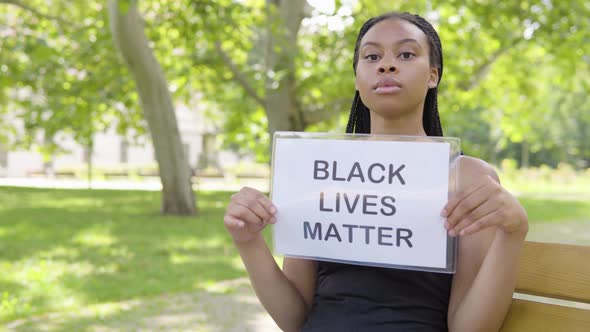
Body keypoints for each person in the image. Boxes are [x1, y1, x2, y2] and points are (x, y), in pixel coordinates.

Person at [224, 11, 529, 332]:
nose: (386, 64)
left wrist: (513, 233)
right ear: (357, 78)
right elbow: (294, 319)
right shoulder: (319, 169)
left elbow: (469, 329)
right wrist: (248, 242)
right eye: (372, 56)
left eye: (406, 54)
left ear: (433, 75)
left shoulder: (465, 178)